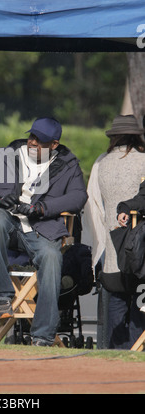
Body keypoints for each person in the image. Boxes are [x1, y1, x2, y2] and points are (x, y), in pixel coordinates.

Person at [0, 117, 88, 347]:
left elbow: (79, 196)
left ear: (54, 145)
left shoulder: (67, 164)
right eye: (32, 136)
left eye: (40, 141)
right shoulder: (8, 155)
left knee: (52, 257)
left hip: (42, 228)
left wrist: (41, 208)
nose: (33, 142)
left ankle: (43, 336)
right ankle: (1, 296)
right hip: (9, 223)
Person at [82, 114, 145, 349]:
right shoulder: (144, 160)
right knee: (141, 302)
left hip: (112, 249)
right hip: (140, 249)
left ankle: (114, 351)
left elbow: (93, 205)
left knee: (116, 302)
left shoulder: (101, 162)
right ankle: (137, 349)